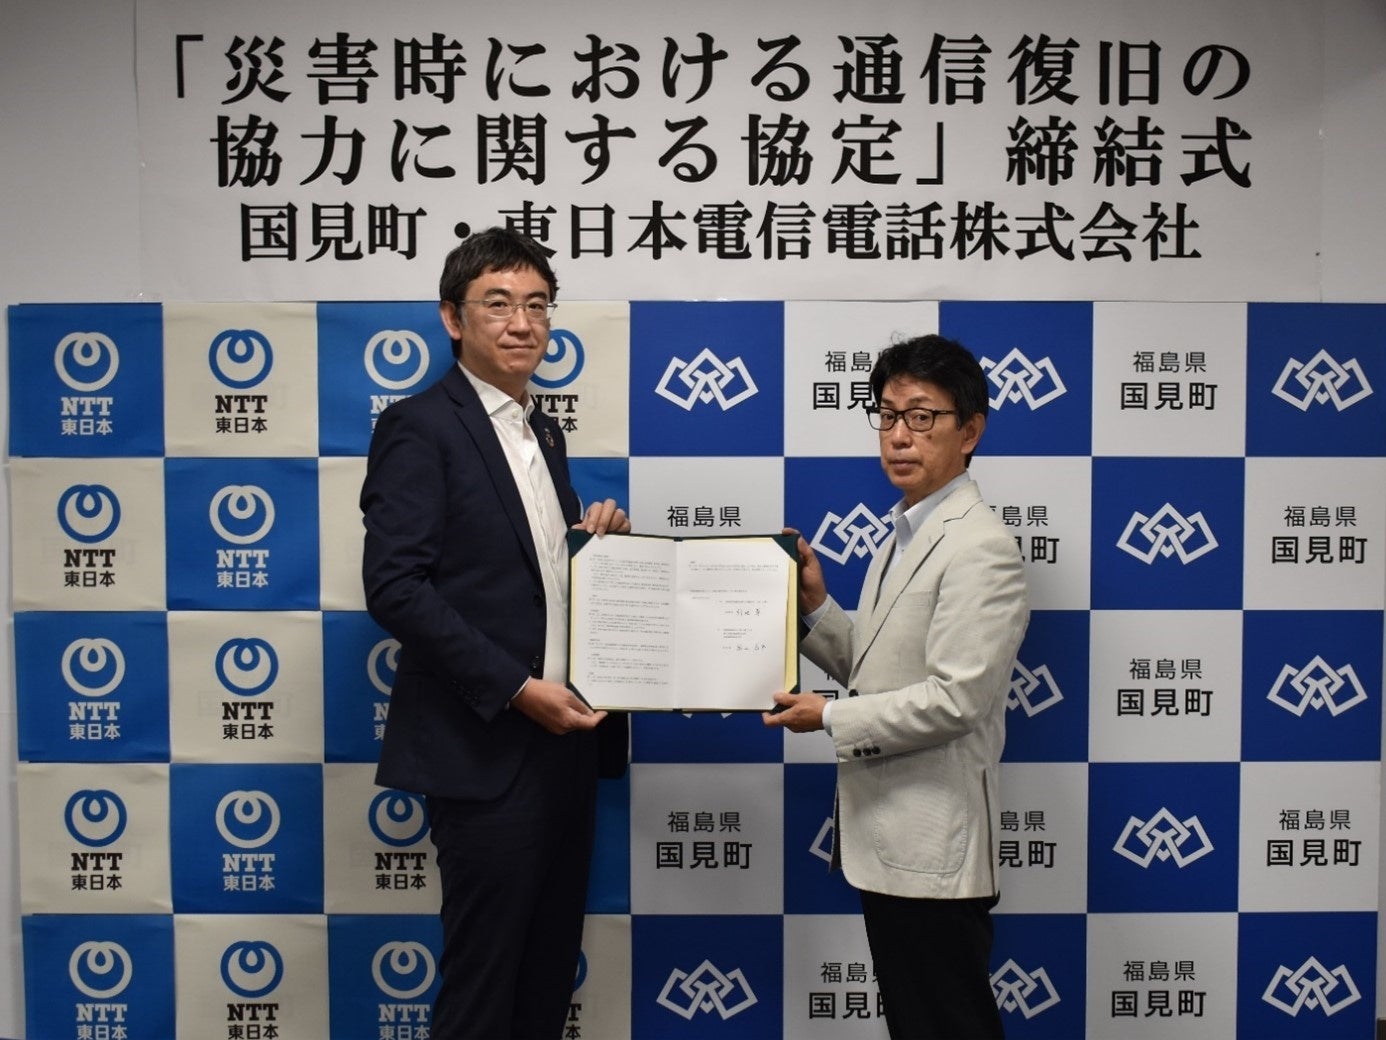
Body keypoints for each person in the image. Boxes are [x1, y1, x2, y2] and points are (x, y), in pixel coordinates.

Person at [360, 226, 630, 1039]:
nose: (523, 323)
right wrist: (516, 689)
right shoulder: (419, 425)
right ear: (453, 318)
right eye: (499, 304)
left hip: (565, 741)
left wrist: (594, 551)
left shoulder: (541, 431)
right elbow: (395, 586)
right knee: (484, 986)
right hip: (485, 747)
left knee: (545, 974)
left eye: (538, 306)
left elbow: (520, 576)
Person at [765, 333, 1029, 1039]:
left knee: (947, 1026)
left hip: (932, 847)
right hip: (894, 841)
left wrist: (829, 718)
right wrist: (817, 607)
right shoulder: (906, 532)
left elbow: (957, 699)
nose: (898, 436)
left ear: (970, 432)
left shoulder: (979, 546)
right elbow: (880, 670)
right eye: (887, 415)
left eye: (921, 416)